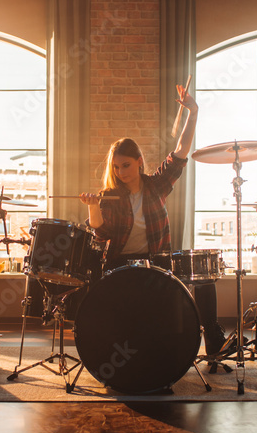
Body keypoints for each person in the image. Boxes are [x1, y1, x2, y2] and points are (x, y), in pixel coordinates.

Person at [80, 86, 226, 355]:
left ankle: (214, 342)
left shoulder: (157, 185)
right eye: (116, 166)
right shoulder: (108, 196)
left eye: (125, 165)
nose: (120, 172)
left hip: (156, 262)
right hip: (119, 266)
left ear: (138, 162)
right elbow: (100, 235)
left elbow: (181, 151)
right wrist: (93, 207)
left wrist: (193, 112)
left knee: (204, 278)